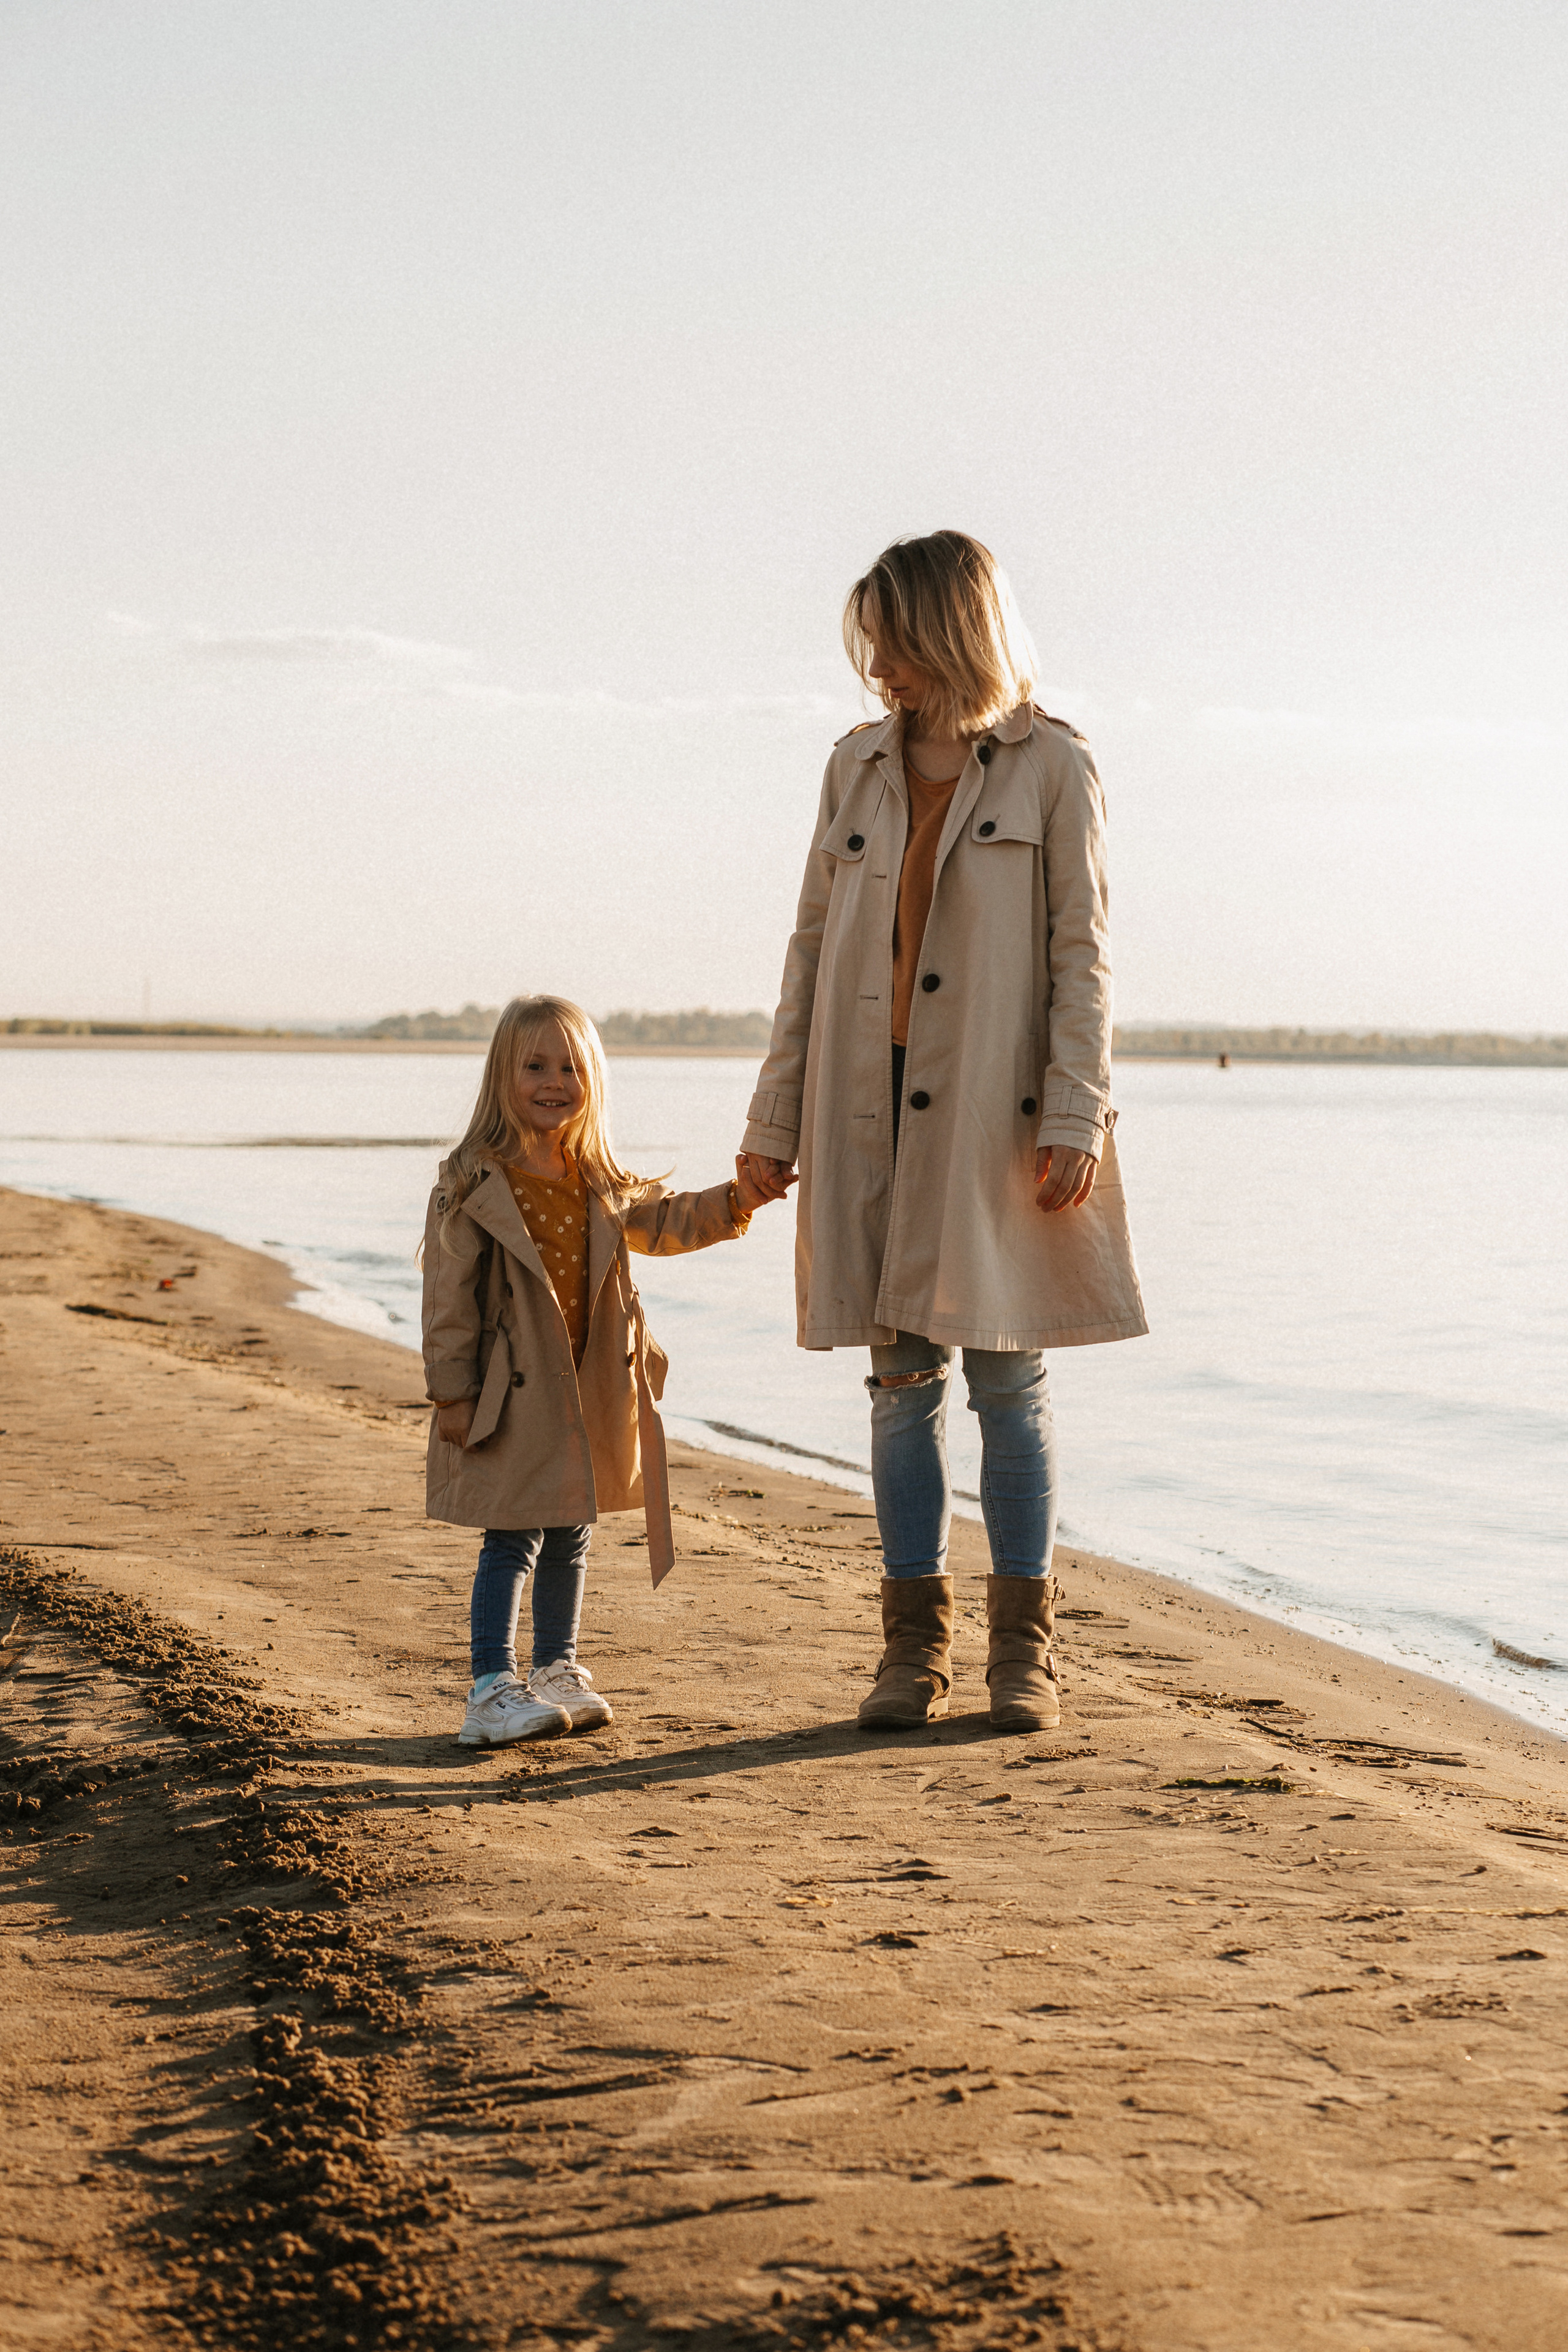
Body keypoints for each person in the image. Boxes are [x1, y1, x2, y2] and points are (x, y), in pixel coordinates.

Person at [740, 532, 1146, 1734]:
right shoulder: (851, 769)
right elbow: (808, 950)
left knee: (1008, 1381)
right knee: (896, 1384)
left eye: (896, 642)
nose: (878, 669)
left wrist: (1077, 1107)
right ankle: (907, 1652)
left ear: (949, 634)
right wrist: (772, 1117)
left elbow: (1084, 958)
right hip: (863, 1107)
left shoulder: (1052, 766)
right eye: (869, 645)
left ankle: (1025, 1657)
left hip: (993, 1109)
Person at [424, 993, 785, 1748]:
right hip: (508, 1393)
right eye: (535, 1066)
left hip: (587, 1388)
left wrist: (741, 1195)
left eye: (571, 1067)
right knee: (512, 1535)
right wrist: (451, 1393)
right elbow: (448, 1299)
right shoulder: (473, 1180)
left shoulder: (598, 1178)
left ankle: (556, 1668)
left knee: (571, 1533)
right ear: (503, 1075)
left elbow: (672, 1220)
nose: (554, 1081)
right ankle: (490, 1686)